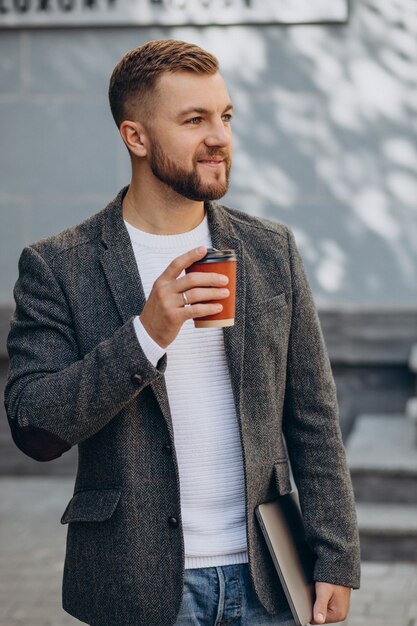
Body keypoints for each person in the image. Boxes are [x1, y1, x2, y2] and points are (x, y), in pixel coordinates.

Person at [4, 39, 360, 626]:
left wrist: (336, 557)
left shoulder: (270, 250)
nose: (219, 136)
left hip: (268, 574)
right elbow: (34, 426)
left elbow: (313, 418)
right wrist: (146, 333)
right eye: (194, 120)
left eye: (224, 116)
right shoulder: (58, 265)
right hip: (135, 583)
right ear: (135, 137)